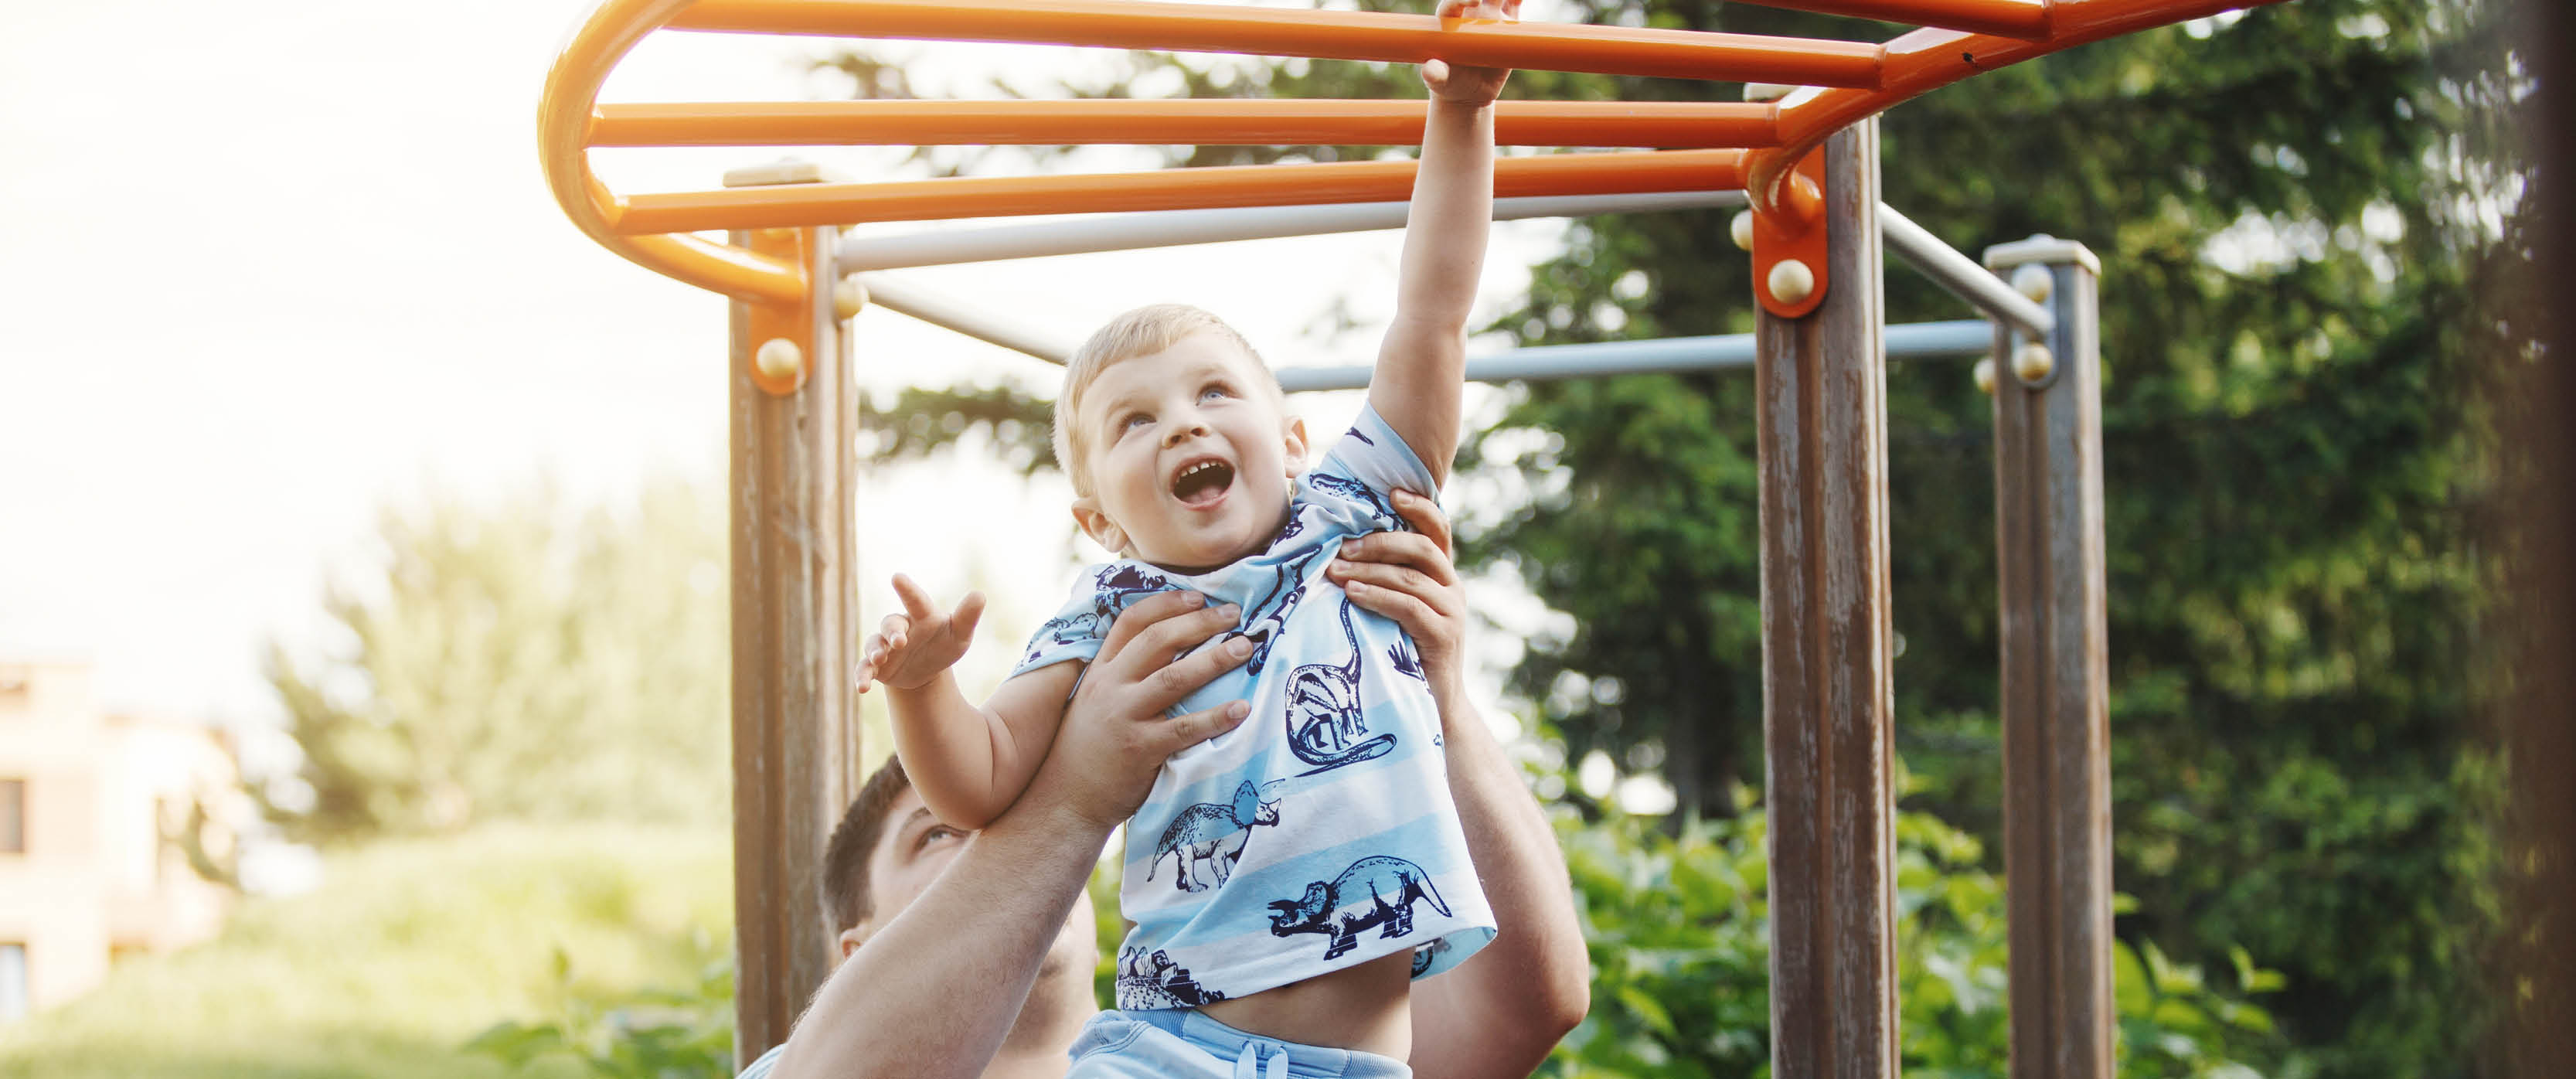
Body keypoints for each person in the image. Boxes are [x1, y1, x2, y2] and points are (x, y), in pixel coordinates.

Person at [851, 5, 1522, 1073]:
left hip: (1359, 1061)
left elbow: (1431, 309)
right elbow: (980, 783)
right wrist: (923, 690)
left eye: (1215, 392)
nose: (1186, 422)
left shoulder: (1347, 515)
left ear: (1294, 440)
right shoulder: (1110, 611)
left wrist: (1460, 112)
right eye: (1136, 421)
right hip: (1170, 1051)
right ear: (1100, 519)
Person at [750, 495, 1585, 1079]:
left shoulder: (1246, 1049)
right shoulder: (812, 1061)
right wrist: (1071, 800)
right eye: (938, 833)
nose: (997, 834)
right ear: (855, 956)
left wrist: (1432, 693)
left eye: (1003, 819)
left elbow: (1523, 1012)